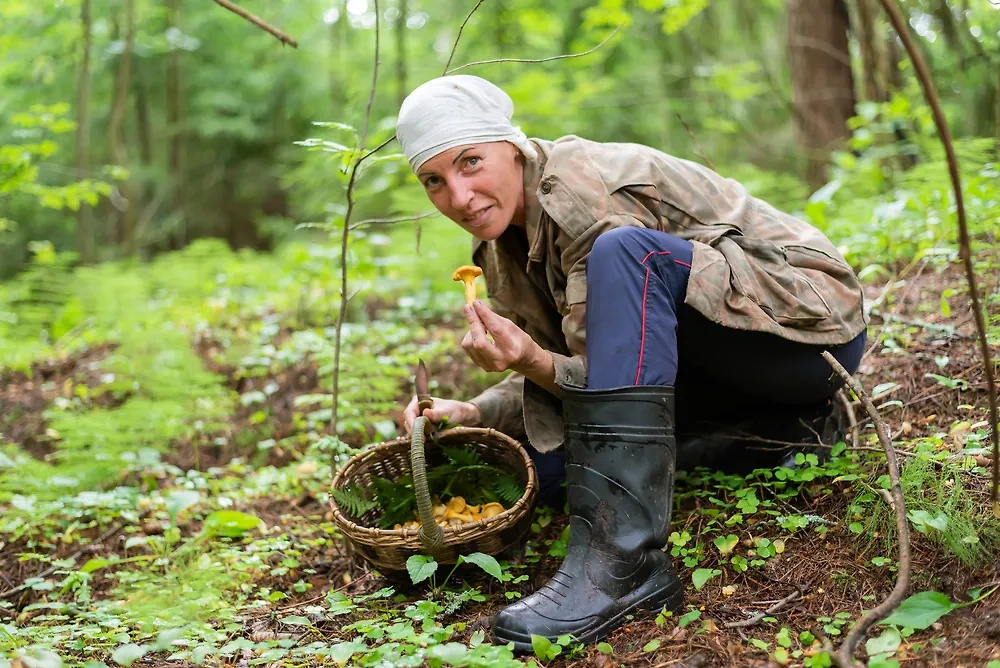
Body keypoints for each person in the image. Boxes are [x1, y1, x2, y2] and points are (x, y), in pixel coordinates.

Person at [397, 75, 866, 652]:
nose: (459, 197)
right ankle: (779, 432)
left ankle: (625, 566)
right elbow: (594, 368)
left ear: (512, 145)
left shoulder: (578, 192)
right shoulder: (501, 250)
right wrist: (474, 409)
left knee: (625, 254)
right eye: (434, 182)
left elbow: (590, 369)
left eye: (471, 163)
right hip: (718, 364)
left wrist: (533, 359)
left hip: (804, 336)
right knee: (545, 476)